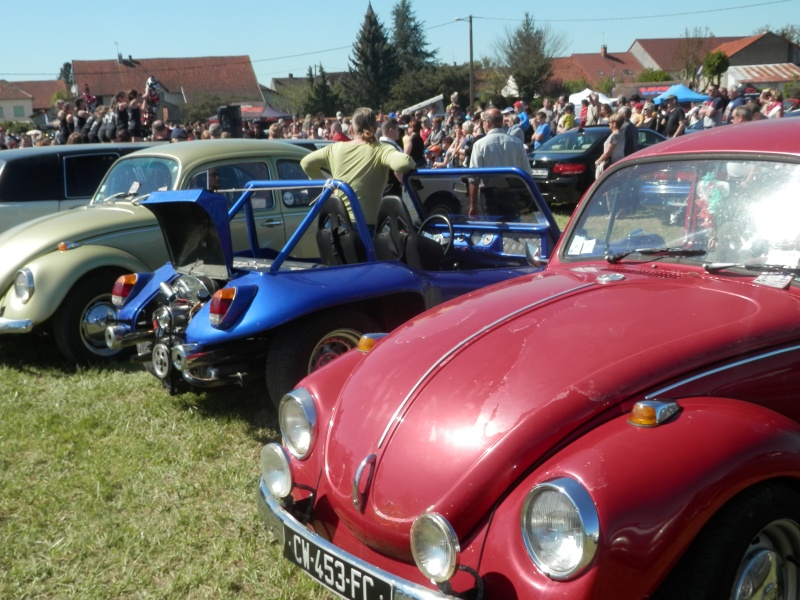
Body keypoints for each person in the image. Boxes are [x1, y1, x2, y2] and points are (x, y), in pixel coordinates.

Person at [300, 107, 416, 225]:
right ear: (376, 129)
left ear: (351, 129)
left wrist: (328, 189)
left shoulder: (335, 148)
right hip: (366, 229)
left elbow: (306, 163)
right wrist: (407, 146)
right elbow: (404, 163)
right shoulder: (380, 149)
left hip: (337, 225)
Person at [467, 107, 532, 218]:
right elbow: (527, 174)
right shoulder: (516, 143)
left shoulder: (480, 145)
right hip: (512, 193)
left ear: (487, 123)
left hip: (489, 195)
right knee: (513, 230)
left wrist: (473, 205)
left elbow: (473, 178)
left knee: (492, 231)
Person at [595, 113, 625, 178]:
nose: (608, 123)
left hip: (611, 165)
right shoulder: (621, 133)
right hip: (619, 163)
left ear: (614, 124)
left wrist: (598, 161)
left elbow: (607, 153)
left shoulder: (614, 135)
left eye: (610, 122)